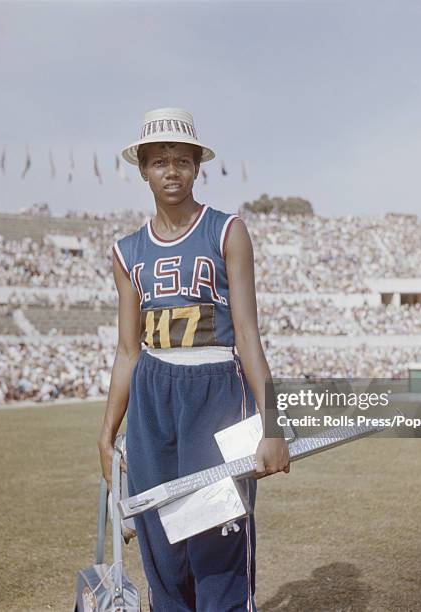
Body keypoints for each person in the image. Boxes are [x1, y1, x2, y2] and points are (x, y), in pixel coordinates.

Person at [97, 108, 290, 612]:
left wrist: (272, 424)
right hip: (151, 400)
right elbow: (126, 350)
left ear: (198, 166)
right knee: (165, 555)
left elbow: (248, 335)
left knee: (217, 546)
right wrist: (106, 432)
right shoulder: (126, 251)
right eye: (159, 161)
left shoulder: (227, 231)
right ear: (142, 168)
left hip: (217, 394)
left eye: (182, 160)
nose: (171, 171)